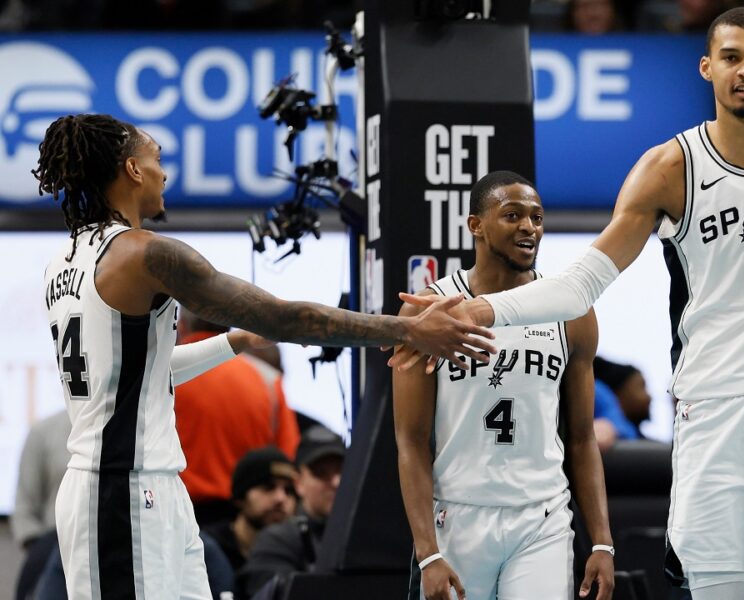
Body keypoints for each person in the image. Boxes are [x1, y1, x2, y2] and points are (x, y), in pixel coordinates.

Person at [396, 8, 744, 599]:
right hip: (713, 412)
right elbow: (581, 284)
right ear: (707, 68)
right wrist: (479, 310)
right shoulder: (668, 168)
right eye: (730, 58)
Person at [35, 113, 494, 600]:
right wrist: (410, 329)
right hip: (117, 492)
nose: (163, 174)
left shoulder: (63, 263)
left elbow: (139, 371)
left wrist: (234, 342)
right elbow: (285, 318)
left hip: (153, 491)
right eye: (157, 160)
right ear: (131, 169)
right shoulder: (146, 255)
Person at [393, 171, 615, 600]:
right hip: (458, 515)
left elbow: (583, 437)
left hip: (542, 515)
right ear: (476, 224)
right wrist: (427, 554)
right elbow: (411, 441)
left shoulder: (571, 310)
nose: (528, 227)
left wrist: (602, 540)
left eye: (536, 217)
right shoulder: (432, 311)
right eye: (512, 215)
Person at [174, 309, 300, 528]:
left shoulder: (161, 379)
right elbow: (288, 458)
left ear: (181, 327)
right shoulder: (267, 380)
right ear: (228, 325)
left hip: (177, 515)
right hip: (249, 522)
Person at [241, 426, 346, 598]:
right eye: (321, 474)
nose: (335, 482)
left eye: (341, 471)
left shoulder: (365, 536)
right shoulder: (277, 540)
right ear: (298, 483)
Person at [201, 447, 297, 574]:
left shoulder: (302, 552)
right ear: (241, 498)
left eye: (288, 490)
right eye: (268, 487)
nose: (280, 498)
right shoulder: (206, 549)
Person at [13, 410, 71, 600]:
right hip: (55, 549)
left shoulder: (134, 429)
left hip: (115, 550)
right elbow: (25, 507)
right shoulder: (44, 431)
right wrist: (43, 550)